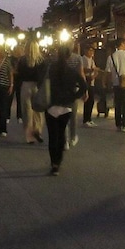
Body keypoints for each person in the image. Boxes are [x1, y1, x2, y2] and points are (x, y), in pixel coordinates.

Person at [45, 45, 88, 175]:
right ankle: (59, 160)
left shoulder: (51, 69)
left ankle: (54, 163)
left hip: (51, 105)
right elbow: (83, 85)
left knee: (53, 135)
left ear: (58, 54)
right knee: (61, 132)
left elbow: (42, 81)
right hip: (66, 106)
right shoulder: (71, 72)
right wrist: (74, 96)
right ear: (70, 55)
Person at [17, 39, 48, 144]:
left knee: (27, 111)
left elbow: (19, 74)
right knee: (38, 110)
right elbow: (44, 75)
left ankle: (29, 136)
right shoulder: (41, 61)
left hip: (26, 85)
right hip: (37, 86)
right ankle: (37, 129)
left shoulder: (22, 60)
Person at [65, 41, 87, 148]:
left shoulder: (57, 58)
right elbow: (81, 73)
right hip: (74, 88)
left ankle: (65, 140)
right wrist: (85, 90)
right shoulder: (78, 58)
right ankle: (73, 137)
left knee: (62, 113)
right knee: (73, 115)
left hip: (61, 88)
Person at [81, 46, 99, 127]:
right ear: (86, 50)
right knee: (87, 100)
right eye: (90, 50)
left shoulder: (92, 60)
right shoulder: (83, 59)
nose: (92, 52)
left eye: (92, 51)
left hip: (92, 82)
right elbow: (83, 70)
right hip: (86, 82)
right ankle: (86, 119)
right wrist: (91, 70)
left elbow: (95, 70)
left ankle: (89, 119)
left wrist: (94, 75)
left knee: (91, 101)